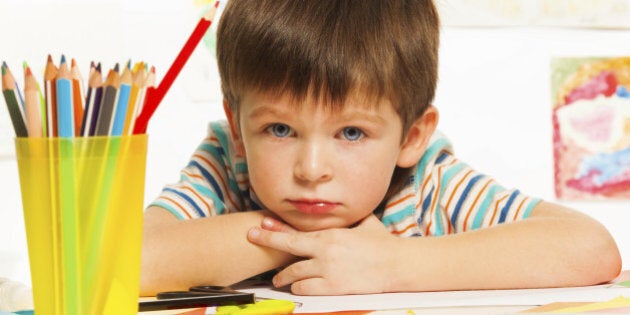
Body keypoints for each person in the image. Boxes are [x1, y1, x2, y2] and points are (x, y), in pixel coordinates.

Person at [140, 0, 621, 296]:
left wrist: (389, 264)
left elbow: (590, 249)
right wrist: (294, 247)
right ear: (238, 128)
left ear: (412, 136)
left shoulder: (425, 181)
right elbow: (120, 260)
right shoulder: (227, 163)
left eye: (351, 134)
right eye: (280, 130)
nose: (311, 170)